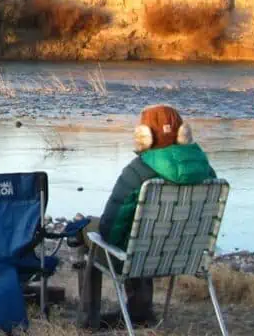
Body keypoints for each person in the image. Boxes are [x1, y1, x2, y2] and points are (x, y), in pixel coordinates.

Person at [77, 104, 217, 330]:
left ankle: (88, 319)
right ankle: (140, 311)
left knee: (85, 228)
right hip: (187, 257)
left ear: (145, 135)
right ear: (183, 133)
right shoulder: (206, 170)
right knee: (143, 235)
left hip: (139, 258)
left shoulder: (137, 170)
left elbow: (111, 227)